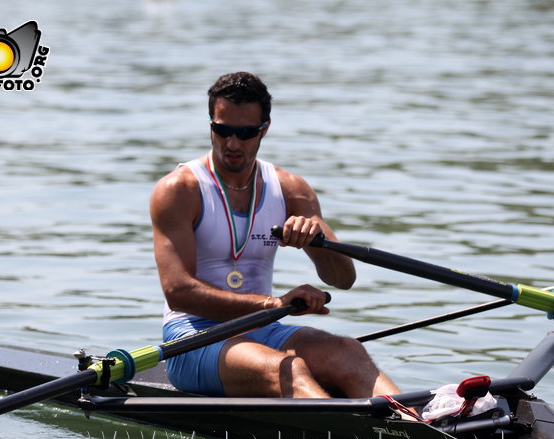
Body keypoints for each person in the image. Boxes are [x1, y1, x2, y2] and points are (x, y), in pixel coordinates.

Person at [150, 72, 401, 399]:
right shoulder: (179, 190)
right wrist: (272, 303)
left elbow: (343, 278)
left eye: (245, 133)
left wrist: (317, 241)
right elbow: (178, 292)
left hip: (265, 330)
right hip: (193, 336)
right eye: (222, 130)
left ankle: (419, 426)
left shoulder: (290, 189)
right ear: (210, 124)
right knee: (289, 368)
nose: (232, 143)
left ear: (265, 129)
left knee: (347, 351)